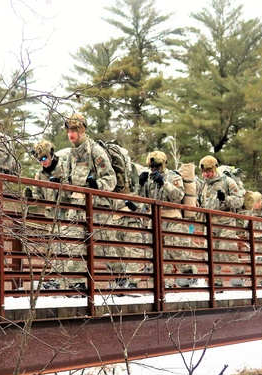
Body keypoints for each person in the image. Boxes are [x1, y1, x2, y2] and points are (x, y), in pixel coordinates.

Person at [63, 114, 139, 289]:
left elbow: (110, 179)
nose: (71, 134)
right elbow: (68, 180)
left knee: (104, 247)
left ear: (82, 130)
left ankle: (124, 278)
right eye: (68, 130)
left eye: (74, 130)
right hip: (77, 205)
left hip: (97, 206)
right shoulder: (71, 155)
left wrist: (96, 184)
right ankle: (77, 283)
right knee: (74, 244)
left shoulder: (95, 151)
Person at [138, 150, 193, 286]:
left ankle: (191, 276)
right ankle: (163, 284)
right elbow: (140, 200)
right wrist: (140, 184)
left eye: (157, 165)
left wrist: (163, 183)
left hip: (172, 218)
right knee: (156, 254)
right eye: (151, 166)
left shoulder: (173, 177)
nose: (154, 168)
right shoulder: (149, 179)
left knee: (177, 252)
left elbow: (178, 196)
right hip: (154, 219)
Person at [196, 155, 247, 287]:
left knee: (227, 249)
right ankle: (215, 283)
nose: (206, 174)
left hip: (225, 222)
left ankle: (239, 275)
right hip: (209, 223)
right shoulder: (203, 185)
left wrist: (225, 198)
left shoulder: (227, 181)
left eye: (208, 171)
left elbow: (239, 201)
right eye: (204, 172)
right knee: (211, 255)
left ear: (215, 169)